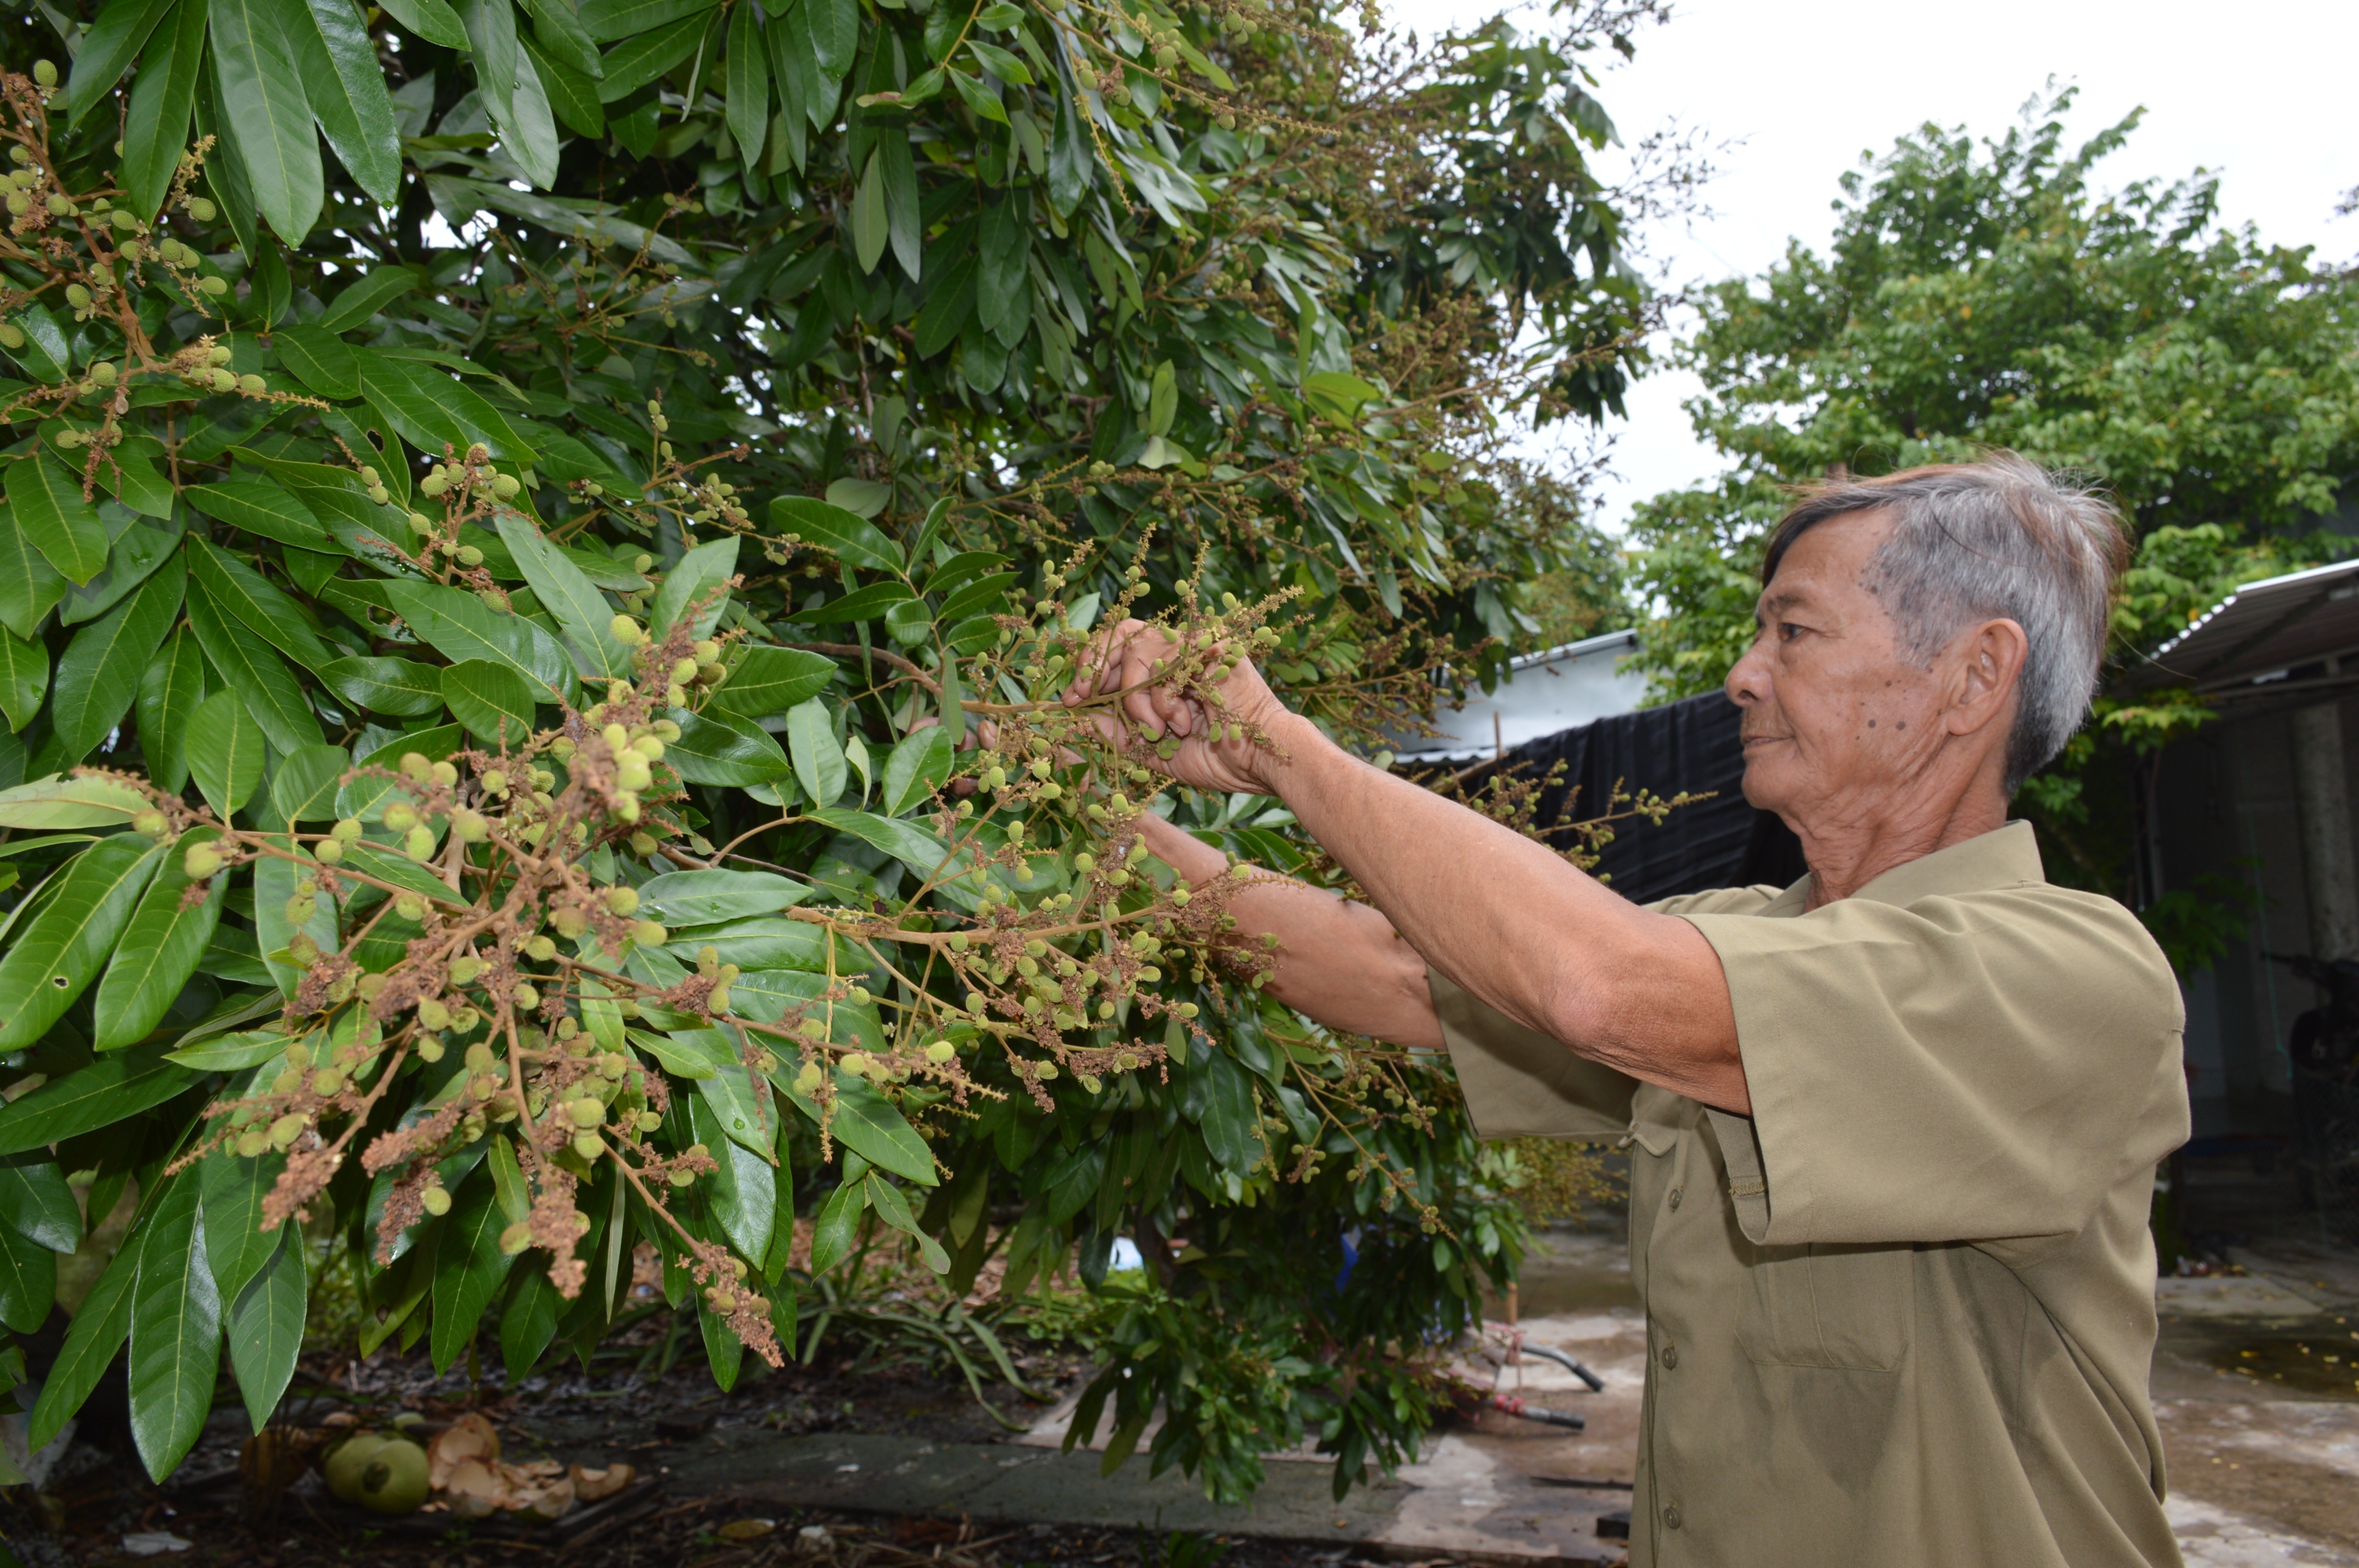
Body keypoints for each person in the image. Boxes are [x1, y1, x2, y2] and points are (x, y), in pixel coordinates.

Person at [1088, 457, 2191, 1568]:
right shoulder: (1743, 935)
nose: (1742, 676)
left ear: (1973, 677)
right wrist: (1082, 820)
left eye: (1793, 633)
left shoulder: (2071, 974)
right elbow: (1385, 969)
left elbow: (1595, 984)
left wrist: (1280, 746)